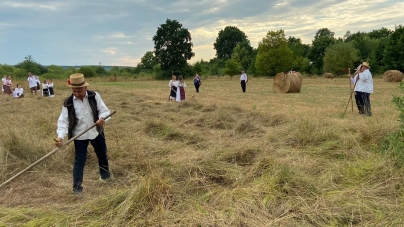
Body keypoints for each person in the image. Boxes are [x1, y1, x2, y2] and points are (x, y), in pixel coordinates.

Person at [54, 73, 112, 194]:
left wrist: (102, 119)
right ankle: (77, 188)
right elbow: (63, 122)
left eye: (79, 91)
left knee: (102, 155)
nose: (77, 94)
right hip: (79, 135)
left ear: (85, 88)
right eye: (74, 91)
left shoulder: (94, 96)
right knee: (79, 161)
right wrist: (60, 137)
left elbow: (105, 111)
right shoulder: (68, 103)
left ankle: (105, 177)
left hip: (96, 132)